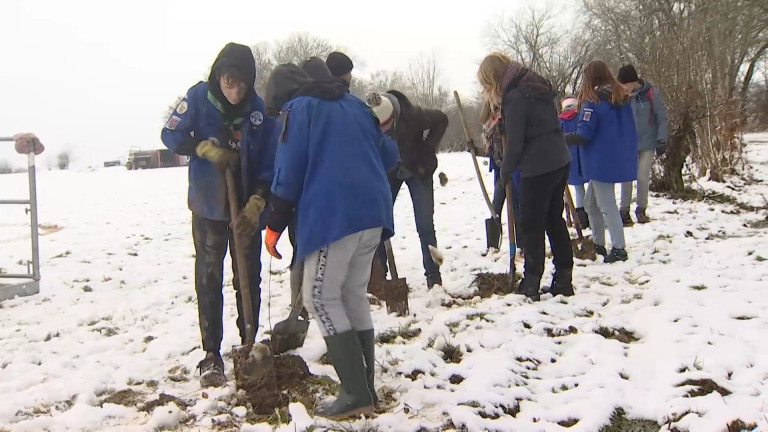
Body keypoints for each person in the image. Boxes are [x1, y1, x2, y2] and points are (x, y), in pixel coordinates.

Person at [261, 64, 399, 419]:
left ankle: (354, 392)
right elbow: (389, 155)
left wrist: (274, 222)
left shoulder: (298, 109)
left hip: (335, 214)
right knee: (351, 293)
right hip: (374, 212)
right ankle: (366, 390)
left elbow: (288, 170)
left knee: (319, 296)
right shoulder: (353, 104)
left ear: (281, 100)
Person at [160, 42, 279, 388]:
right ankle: (211, 354)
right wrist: (205, 148)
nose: (235, 90)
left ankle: (249, 343)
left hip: (245, 210)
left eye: (243, 83)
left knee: (248, 277)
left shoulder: (258, 112)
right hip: (208, 205)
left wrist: (256, 204)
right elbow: (170, 134)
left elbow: (269, 166)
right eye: (230, 81)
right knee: (209, 276)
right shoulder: (198, 99)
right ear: (217, 75)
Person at [477, 52, 573, 300]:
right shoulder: (535, 85)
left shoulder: (516, 97)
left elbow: (517, 143)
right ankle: (564, 277)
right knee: (554, 220)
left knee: (532, 225)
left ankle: (531, 281)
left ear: (493, 79)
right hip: (559, 158)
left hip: (538, 166)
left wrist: (505, 172)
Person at [370, 90, 448, 290]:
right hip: (389, 172)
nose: (384, 129)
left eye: (387, 124)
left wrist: (427, 148)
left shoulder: (413, 115)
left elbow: (442, 119)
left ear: (394, 116)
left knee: (425, 225)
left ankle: (433, 278)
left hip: (418, 170)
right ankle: (381, 278)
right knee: (378, 223)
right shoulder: (368, 119)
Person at [564, 60, 638, 263]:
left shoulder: (593, 101)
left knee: (606, 205)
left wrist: (561, 137)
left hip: (600, 161)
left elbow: (584, 134)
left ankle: (619, 248)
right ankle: (598, 243)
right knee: (591, 203)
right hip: (618, 156)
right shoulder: (619, 98)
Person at [617, 64, 669, 225]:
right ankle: (624, 210)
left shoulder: (651, 94)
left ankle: (641, 209)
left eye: (625, 84)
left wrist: (662, 139)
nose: (623, 87)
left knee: (642, 177)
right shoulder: (621, 97)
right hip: (628, 143)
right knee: (626, 177)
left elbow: (662, 117)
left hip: (648, 142)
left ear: (633, 81)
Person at [480, 101, 523, 255]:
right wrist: (473, 148)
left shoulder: (505, 119)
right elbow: (490, 150)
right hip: (500, 171)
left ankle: (522, 246)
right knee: (495, 208)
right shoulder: (489, 125)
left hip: (513, 170)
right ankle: (492, 245)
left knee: (517, 208)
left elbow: (514, 144)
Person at [559, 96, 589, 228]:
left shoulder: (559, 121)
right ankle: (587, 214)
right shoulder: (580, 117)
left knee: (577, 188)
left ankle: (580, 218)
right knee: (590, 187)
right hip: (583, 157)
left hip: (568, 160)